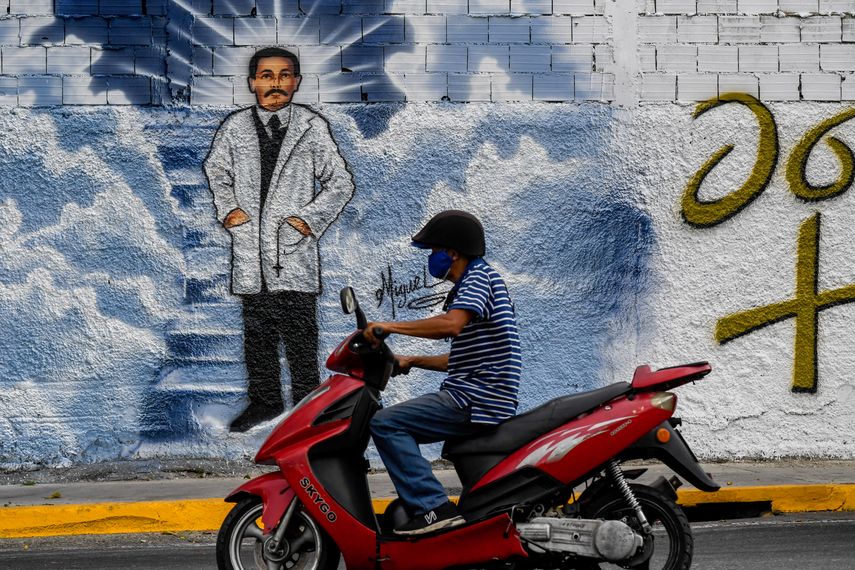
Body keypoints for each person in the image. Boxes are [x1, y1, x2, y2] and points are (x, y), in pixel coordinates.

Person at [204, 47, 355, 432]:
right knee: (258, 337)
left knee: (301, 338)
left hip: (293, 253)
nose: (276, 84)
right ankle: (264, 404)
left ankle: (307, 409)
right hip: (252, 252)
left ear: (297, 82)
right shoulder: (235, 128)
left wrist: (308, 220)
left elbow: (340, 183)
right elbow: (216, 170)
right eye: (267, 76)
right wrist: (228, 209)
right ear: (252, 82)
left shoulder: (311, 126)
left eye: (284, 75)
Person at [365, 210, 521, 535]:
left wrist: (388, 327)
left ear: (452, 252)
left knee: (386, 423)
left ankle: (432, 508)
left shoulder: (478, 278)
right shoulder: (478, 281)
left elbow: (451, 325)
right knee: (392, 422)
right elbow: (461, 360)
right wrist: (412, 361)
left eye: (434, 250)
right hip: (480, 394)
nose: (431, 258)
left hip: (475, 399)